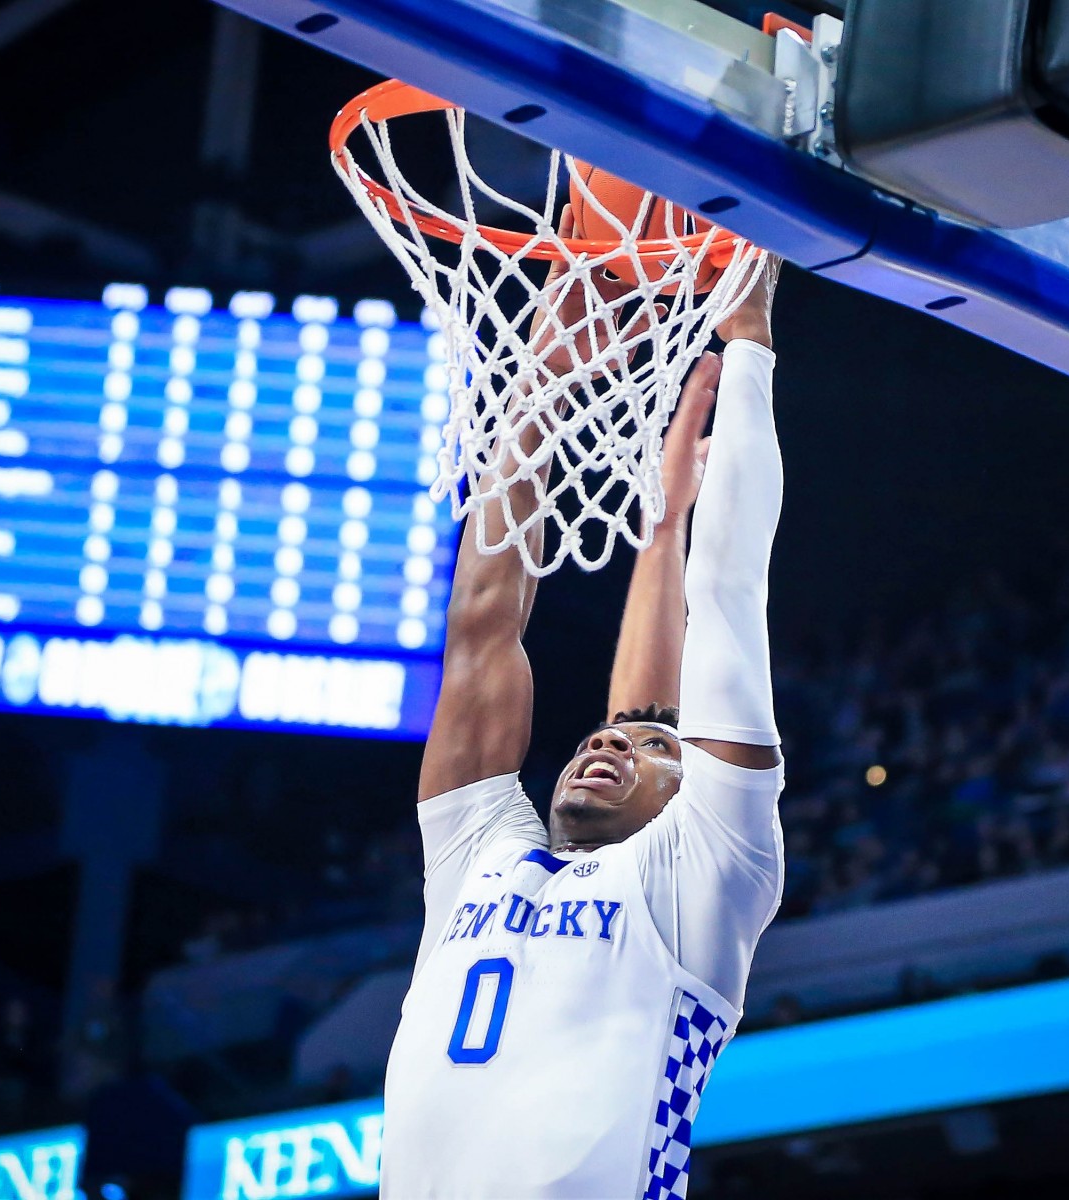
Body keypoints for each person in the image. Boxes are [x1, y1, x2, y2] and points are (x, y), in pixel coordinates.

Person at [381, 235, 786, 1199]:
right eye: (609, 734)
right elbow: (482, 623)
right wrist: (542, 384)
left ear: (697, 796)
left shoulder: (706, 874)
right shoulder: (481, 853)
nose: (607, 737)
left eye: (653, 745)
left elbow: (727, 595)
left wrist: (749, 346)